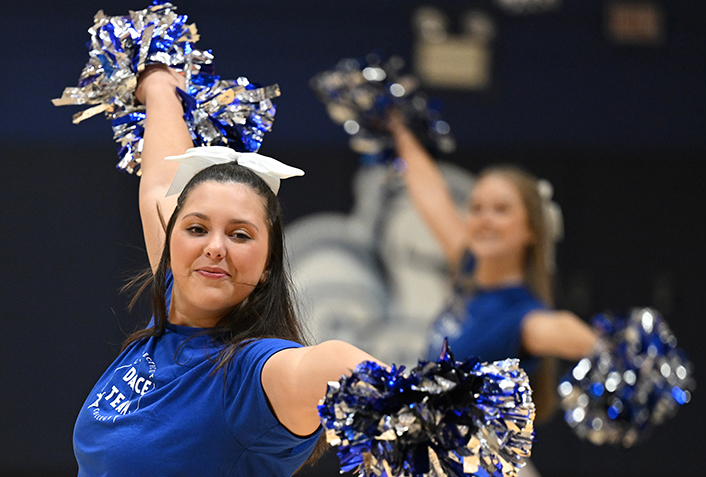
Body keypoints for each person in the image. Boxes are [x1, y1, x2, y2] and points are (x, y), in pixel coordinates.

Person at [72, 65, 383, 476]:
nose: (215, 248)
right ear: (172, 240)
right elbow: (158, 182)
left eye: (240, 235)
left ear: (269, 265)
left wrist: (412, 398)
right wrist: (160, 81)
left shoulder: (253, 374)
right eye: (197, 229)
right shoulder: (172, 299)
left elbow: (326, 364)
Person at [387, 114, 599, 422]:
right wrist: (397, 127)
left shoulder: (524, 317)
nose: (484, 220)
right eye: (476, 208)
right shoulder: (469, 269)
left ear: (531, 230)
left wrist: (614, 353)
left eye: (501, 210)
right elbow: (430, 191)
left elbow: (563, 329)